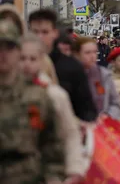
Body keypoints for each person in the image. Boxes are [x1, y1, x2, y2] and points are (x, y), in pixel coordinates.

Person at [0, 20, 65, 183]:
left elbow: (53, 147)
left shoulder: (37, 96)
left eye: (9, 48)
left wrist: (54, 178)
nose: (3, 54)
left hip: (27, 176)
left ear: (17, 52)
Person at [20, 34, 85, 183]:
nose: (27, 64)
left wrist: (74, 168)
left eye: (32, 59)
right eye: (22, 58)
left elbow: (70, 133)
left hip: (48, 173)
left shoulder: (55, 95)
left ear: (42, 60)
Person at [28, 9, 98, 122]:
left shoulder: (72, 67)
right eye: (35, 32)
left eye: (45, 32)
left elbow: (86, 109)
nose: (39, 37)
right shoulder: (18, 63)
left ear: (55, 33)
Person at [72, 37, 120, 119]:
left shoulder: (105, 75)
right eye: (87, 53)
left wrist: (108, 116)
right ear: (77, 54)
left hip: (103, 124)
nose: (92, 56)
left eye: (95, 52)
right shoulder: (70, 75)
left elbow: (115, 103)